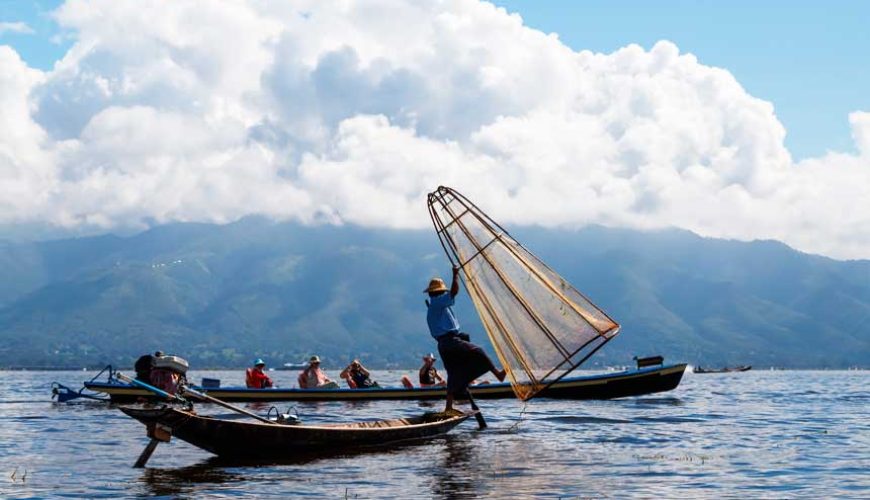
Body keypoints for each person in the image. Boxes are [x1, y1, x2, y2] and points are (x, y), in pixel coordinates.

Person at [425, 266, 506, 412]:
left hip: (444, 345)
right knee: (479, 351)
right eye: (443, 292)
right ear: (439, 293)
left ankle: (448, 407)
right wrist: (455, 274)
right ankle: (498, 375)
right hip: (450, 342)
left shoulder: (438, 305)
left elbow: (451, 296)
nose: (445, 293)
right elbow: (454, 291)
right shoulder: (438, 302)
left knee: (453, 372)